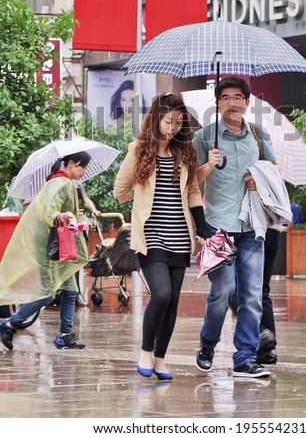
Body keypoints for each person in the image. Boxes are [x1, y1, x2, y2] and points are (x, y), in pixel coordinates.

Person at [114, 92, 210, 381]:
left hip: (180, 235)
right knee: (162, 294)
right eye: (168, 121)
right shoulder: (138, 150)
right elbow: (120, 192)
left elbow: (193, 191)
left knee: (172, 301)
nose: (173, 128)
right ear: (156, 120)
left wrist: (202, 227)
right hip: (151, 235)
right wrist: (142, 194)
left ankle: (159, 358)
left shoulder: (184, 152)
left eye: (179, 122)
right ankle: (145, 351)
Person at [194, 76, 276, 379]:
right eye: (226, 97)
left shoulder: (258, 134)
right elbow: (191, 183)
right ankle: (208, 344)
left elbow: (273, 171)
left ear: (246, 102)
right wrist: (208, 165)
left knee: (252, 296)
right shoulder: (204, 137)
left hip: (252, 226)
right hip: (217, 227)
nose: (232, 102)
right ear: (218, 103)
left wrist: (260, 179)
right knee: (223, 289)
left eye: (238, 97)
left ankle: (244, 358)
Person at [0, 151, 91, 351]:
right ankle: (9, 323)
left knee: (70, 292)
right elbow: (50, 213)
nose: (84, 172)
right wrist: (67, 216)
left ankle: (65, 335)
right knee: (48, 294)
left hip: (61, 247)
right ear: (72, 164)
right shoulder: (61, 183)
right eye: (83, 167)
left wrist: (73, 214)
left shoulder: (62, 182)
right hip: (52, 249)